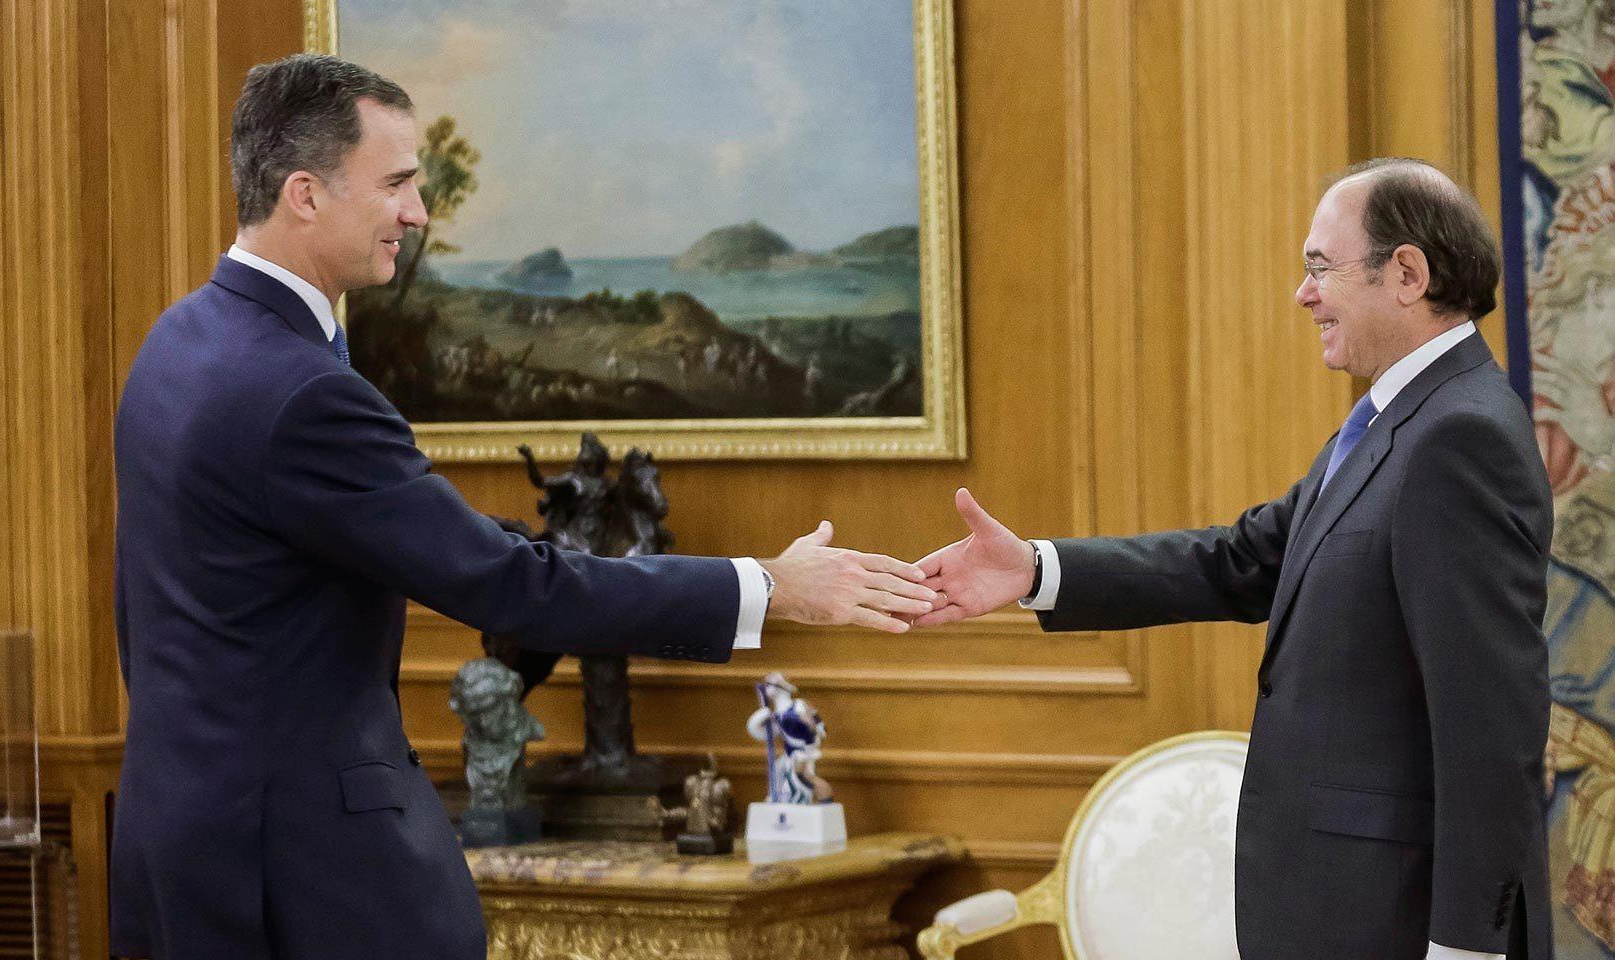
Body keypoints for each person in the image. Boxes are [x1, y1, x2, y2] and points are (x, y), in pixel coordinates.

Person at [109, 53, 935, 960]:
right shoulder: (298, 387)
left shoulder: (178, 342)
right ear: (304, 194)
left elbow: (180, 602)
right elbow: (509, 589)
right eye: (396, 184)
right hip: (300, 875)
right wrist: (769, 586)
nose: (419, 213)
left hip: (175, 843)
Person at [916, 158, 1553, 960]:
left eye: (1319, 267)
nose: (1303, 293)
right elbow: (1242, 558)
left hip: (1399, 926)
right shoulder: (1396, 419)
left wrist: (1468, 948)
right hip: (1336, 913)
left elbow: (1492, 727)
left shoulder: (1459, 436)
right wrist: (1036, 571)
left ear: (1406, 273)